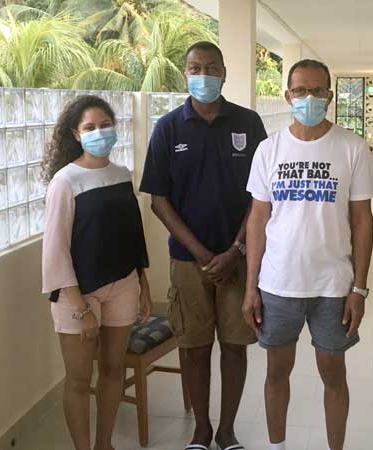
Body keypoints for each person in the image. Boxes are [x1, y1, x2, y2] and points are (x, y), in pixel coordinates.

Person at [243, 59, 373, 450]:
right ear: (287, 96)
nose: (309, 98)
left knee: (334, 374)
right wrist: (251, 287)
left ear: (330, 97)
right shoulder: (269, 150)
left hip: (333, 285)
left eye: (318, 91)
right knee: (276, 372)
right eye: (301, 90)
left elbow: (362, 222)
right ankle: (277, 445)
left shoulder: (351, 147)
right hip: (278, 282)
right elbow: (257, 219)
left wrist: (360, 289)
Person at [140, 41, 267, 450]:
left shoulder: (249, 124)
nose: (204, 75)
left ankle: (227, 430)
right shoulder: (168, 128)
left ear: (225, 72)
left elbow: (261, 196)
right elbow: (159, 200)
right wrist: (201, 253)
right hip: (188, 261)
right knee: (194, 347)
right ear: (185, 73)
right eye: (196, 67)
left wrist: (235, 250)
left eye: (212, 67)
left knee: (235, 346)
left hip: (239, 260)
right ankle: (201, 429)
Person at [41, 95, 152, 450]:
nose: (99, 132)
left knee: (113, 371)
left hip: (123, 285)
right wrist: (80, 308)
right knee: (77, 379)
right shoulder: (65, 181)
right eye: (90, 127)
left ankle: (104, 444)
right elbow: (55, 250)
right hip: (78, 293)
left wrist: (142, 283)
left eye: (105, 125)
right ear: (76, 133)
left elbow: (132, 235)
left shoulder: (121, 175)